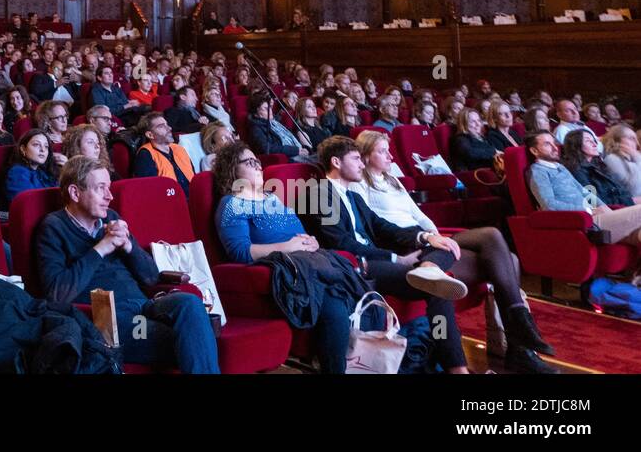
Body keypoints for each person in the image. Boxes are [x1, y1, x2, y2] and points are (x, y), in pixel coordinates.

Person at [352, 131, 555, 373]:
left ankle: (518, 343)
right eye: (382, 151)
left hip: (427, 242)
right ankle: (519, 344)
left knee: (498, 245)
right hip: (405, 245)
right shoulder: (359, 184)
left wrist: (434, 236)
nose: (390, 156)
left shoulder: (393, 180)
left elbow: (418, 215)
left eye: (389, 150)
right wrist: (423, 241)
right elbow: (374, 227)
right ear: (364, 157)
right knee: (502, 252)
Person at [300, 136, 471, 373]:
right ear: (336, 162)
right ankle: (456, 367)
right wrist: (395, 258)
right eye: (356, 159)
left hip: (375, 260)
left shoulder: (354, 197)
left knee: (441, 262)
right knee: (437, 287)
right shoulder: (319, 193)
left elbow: (383, 227)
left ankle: (429, 269)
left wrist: (425, 237)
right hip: (357, 266)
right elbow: (339, 243)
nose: (362, 164)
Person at [36, 156, 219, 373]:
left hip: (143, 305)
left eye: (109, 188)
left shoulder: (110, 218)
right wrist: (101, 248)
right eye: (101, 188)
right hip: (104, 319)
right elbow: (57, 294)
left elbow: (151, 277)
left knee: (190, 304)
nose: (109, 196)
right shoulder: (53, 227)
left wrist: (129, 245)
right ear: (75, 193)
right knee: (195, 337)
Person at [213, 141, 355, 373]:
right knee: (336, 307)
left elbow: (298, 231)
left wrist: (312, 241)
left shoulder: (272, 198)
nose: (258, 166)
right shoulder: (232, 203)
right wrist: (287, 247)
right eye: (249, 162)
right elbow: (240, 252)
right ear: (232, 169)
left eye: (258, 161)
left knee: (353, 291)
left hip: (309, 262)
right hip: (286, 272)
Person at [561, 129, 634, 210]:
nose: (595, 144)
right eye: (588, 141)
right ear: (576, 145)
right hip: (608, 210)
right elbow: (592, 201)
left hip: (621, 205)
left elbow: (620, 188)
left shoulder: (599, 165)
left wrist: (628, 201)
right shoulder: (576, 171)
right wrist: (626, 203)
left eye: (594, 140)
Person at [3, 129, 61, 206]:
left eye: (46, 146)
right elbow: (29, 205)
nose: (42, 150)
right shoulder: (17, 172)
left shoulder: (42, 171)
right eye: (36, 145)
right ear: (23, 149)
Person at [246, 92, 311, 160]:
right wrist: (295, 150)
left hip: (299, 152)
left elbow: (291, 136)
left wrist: (305, 148)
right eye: (266, 109)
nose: (270, 110)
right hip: (289, 157)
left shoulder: (276, 122)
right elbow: (266, 148)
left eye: (270, 107)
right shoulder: (256, 128)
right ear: (256, 113)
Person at [602, 123, 641, 202]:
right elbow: (633, 191)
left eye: (635, 139)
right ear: (616, 140)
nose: (636, 143)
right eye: (631, 138)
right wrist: (637, 158)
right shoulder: (611, 159)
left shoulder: (631, 157)